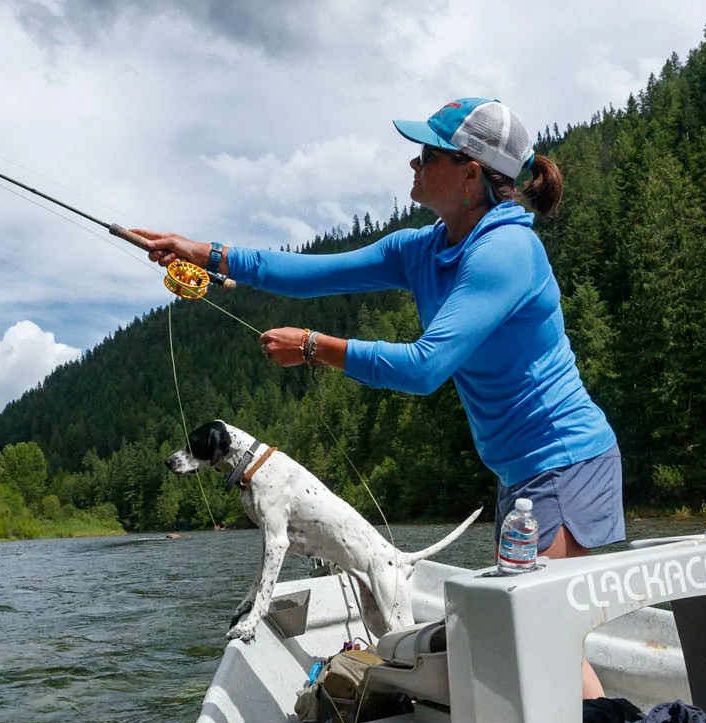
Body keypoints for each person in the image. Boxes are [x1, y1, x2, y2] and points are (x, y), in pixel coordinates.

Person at [137, 99, 623, 675]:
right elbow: (312, 273)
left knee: (533, 645)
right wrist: (202, 252)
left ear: (470, 174)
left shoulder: (507, 251)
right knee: (537, 647)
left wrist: (314, 346)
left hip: (565, 462)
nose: (413, 164)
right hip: (520, 473)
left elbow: (424, 366)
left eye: (427, 155)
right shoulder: (424, 249)